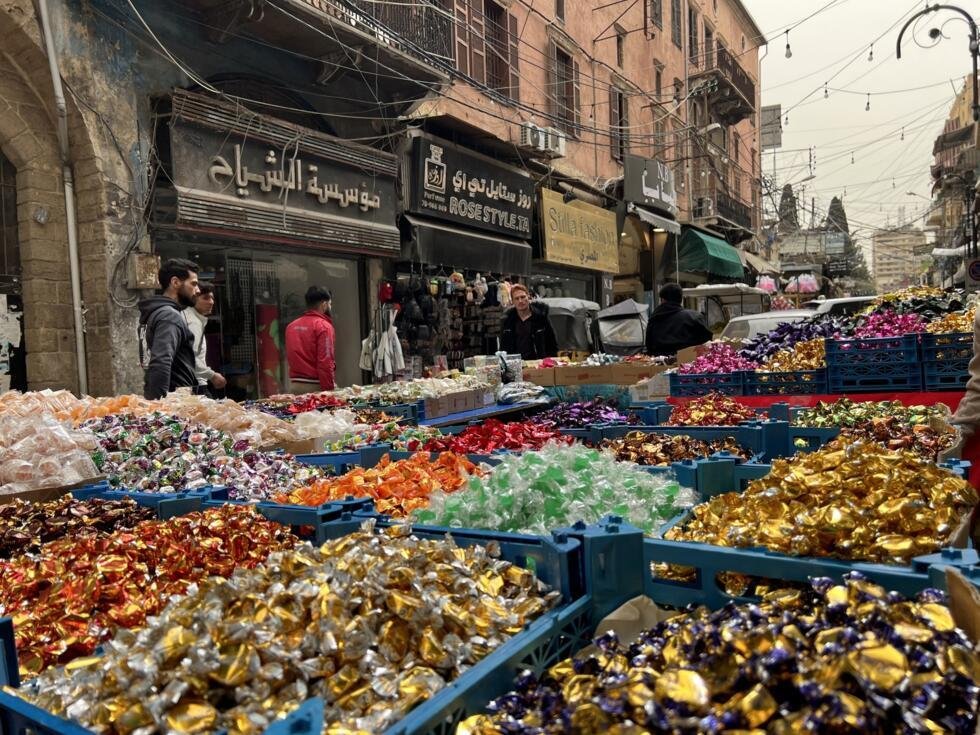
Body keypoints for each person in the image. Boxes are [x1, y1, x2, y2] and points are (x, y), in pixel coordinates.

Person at [139, 258, 200, 400]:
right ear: (175, 282)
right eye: (193, 284)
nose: (197, 290)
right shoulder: (169, 316)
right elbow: (161, 362)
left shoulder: (156, 313)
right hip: (175, 401)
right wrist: (160, 407)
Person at [285, 285, 336, 393]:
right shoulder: (323, 326)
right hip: (316, 387)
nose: (330, 307)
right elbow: (325, 362)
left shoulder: (291, 326)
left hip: (294, 386)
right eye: (330, 304)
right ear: (324, 305)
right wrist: (329, 391)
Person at [645, 282, 713, 357]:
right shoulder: (694, 317)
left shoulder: (653, 319)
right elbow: (707, 342)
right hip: (688, 361)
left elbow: (649, 346)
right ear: (681, 299)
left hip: (658, 362)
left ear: (663, 300)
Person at [184, 281, 226, 396]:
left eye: (212, 298)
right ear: (193, 299)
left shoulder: (191, 317)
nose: (211, 302)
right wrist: (212, 375)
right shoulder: (193, 322)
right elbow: (189, 357)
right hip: (194, 383)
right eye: (206, 298)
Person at [500, 283, 558, 359]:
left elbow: (552, 343)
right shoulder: (508, 321)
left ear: (528, 296)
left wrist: (549, 361)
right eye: (516, 298)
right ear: (513, 301)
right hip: (516, 362)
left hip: (537, 362)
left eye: (523, 297)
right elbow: (503, 347)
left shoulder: (541, 318)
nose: (520, 301)